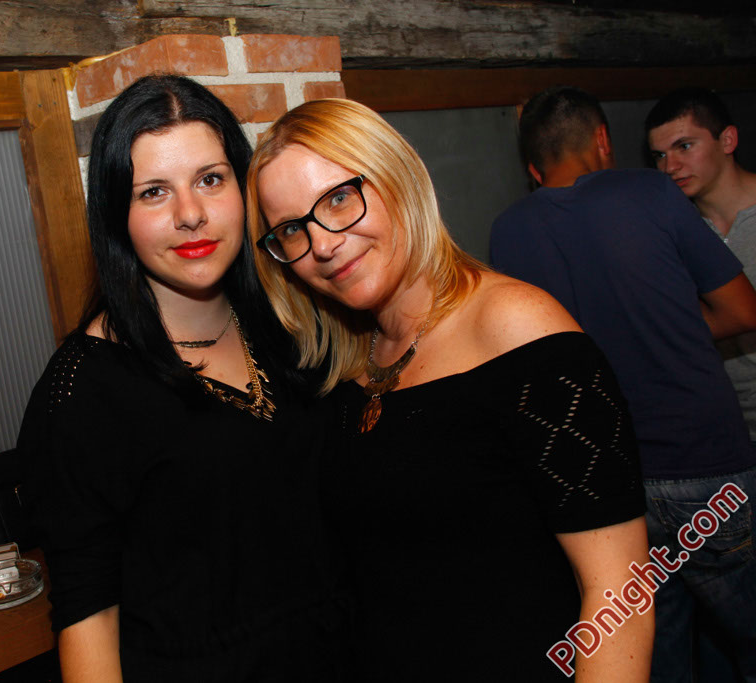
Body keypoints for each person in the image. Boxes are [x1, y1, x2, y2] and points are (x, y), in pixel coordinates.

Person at [246, 97, 652, 681]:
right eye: (292, 230)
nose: (324, 244)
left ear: (399, 177)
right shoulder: (349, 364)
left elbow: (619, 592)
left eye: (338, 199)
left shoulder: (518, 328)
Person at [17, 75, 349, 683]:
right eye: (153, 192)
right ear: (116, 215)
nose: (190, 214)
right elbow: (88, 614)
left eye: (210, 180)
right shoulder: (83, 391)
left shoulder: (296, 326)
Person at [491, 85, 756, 682]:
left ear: (534, 167)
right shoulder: (650, 192)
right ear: (603, 141)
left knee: (655, 650)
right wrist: (667, 328)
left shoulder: (508, 232)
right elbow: (743, 311)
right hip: (703, 468)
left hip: (604, 488)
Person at [646, 87, 756, 445]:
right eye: (660, 155)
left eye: (684, 146)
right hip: (725, 433)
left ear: (728, 140)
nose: (670, 166)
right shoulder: (670, 235)